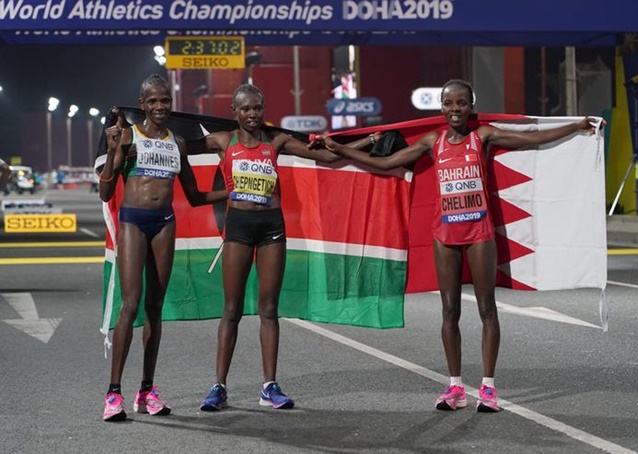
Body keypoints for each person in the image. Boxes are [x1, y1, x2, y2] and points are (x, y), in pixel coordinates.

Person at [319, 79, 599, 413]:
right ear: (441, 107)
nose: (455, 109)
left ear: (470, 106)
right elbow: (387, 163)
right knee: (449, 311)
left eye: (461, 103)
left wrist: (576, 127)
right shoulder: (432, 141)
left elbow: (532, 139)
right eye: (449, 103)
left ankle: (488, 388)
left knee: (487, 310)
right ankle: (454, 387)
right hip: (444, 236)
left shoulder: (482, 137)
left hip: (479, 233)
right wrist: (342, 150)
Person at [192, 83, 366, 411]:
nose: (253, 114)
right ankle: (219, 387)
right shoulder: (222, 141)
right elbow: (176, 146)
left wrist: (365, 142)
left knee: (269, 310)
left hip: (271, 227)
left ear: (264, 109)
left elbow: (327, 156)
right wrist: (129, 135)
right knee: (231, 310)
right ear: (235, 111)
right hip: (239, 229)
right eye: (245, 108)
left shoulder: (277, 140)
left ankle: (269, 386)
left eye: (257, 108)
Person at [98, 74, 228, 422]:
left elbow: (196, 196)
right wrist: (112, 152)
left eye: (164, 100)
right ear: (142, 104)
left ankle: (146, 390)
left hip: (164, 224)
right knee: (131, 304)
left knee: (155, 308)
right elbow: (105, 193)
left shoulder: (178, 142)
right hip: (133, 222)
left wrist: (235, 191)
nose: (159, 107)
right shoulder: (128, 137)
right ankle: (114, 393)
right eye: (152, 101)